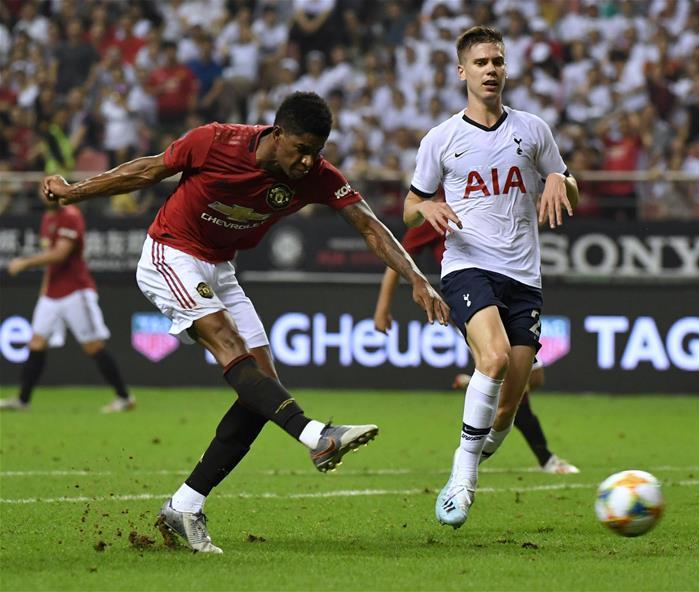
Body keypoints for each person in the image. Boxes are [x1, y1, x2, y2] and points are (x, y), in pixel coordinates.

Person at [41, 91, 450, 553]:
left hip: (220, 267)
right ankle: (317, 435)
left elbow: (370, 226)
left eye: (316, 151)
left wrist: (416, 279)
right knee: (227, 341)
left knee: (263, 390)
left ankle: (185, 505)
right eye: (301, 149)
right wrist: (74, 191)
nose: (307, 161)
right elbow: (147, 170)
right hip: (171, 252)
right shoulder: (215, 142)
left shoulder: (317, 175)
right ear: (277, 134)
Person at [403, 27, 579, 529]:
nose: (490, 70)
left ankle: (471, 455)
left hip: (523, 275)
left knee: (507, 408)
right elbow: (411, 206)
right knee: (495, 357)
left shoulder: (534, 130)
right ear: (462, 72)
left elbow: (570, 187)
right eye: (480, 62)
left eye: (497, 61)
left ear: (506, 69)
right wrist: (427, 207)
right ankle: (463, 476)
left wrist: (560, 180)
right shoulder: (441, 138)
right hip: (467, 265)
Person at [373, 223, 579, 475]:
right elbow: (399, 254)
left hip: (508, 287)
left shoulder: (489, 205)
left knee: (534, 378)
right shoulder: (437, 210)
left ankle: (481, 385)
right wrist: (382, 307)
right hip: (473, 296)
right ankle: (545, 458)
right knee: (510, 386)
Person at [1, 199, 134, 414]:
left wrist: (25, 262)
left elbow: (60, 254)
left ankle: (124, 397)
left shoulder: (71, 216)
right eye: (45, 189)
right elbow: (51, 263)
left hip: (75, 291)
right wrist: (44, 290)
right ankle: (23, 400)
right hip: (51, 293)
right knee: (36, 342)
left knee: (93, 346)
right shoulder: (48, 218)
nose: (47, 194)